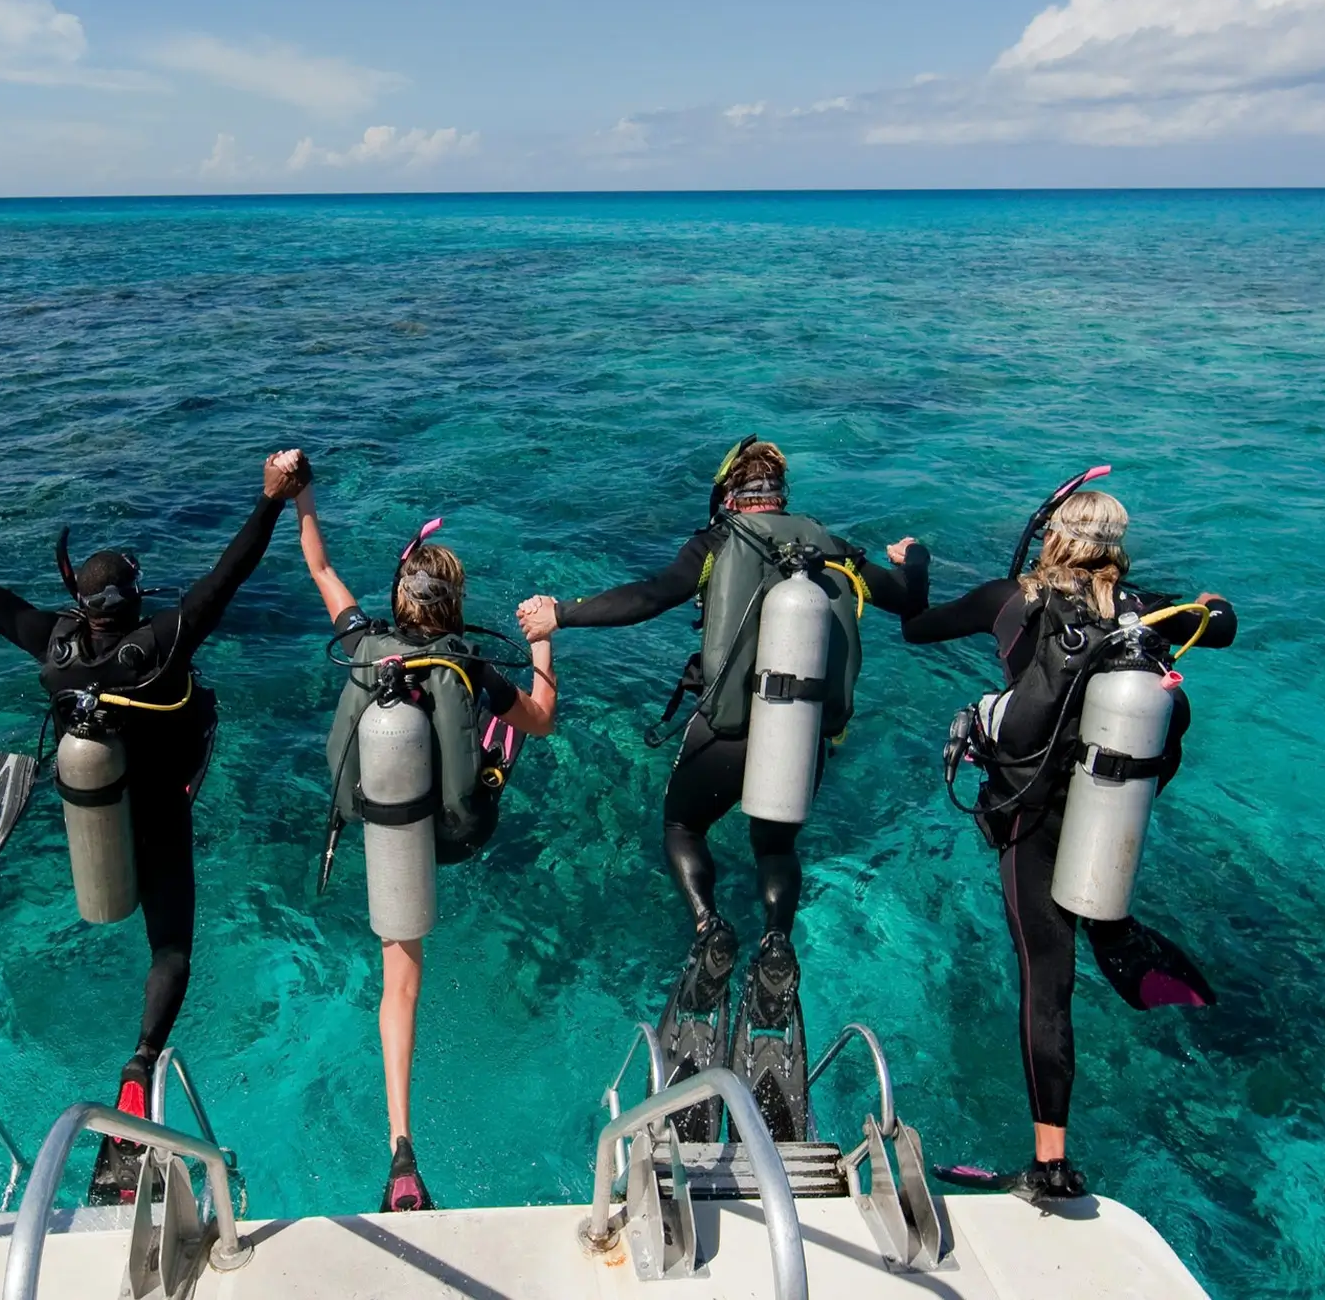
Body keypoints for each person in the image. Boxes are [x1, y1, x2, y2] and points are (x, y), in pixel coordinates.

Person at [0, 449, 310, 1202]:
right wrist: (270, 500)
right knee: (170, 949)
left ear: (82, 603)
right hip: (160, 808)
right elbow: (230, 573)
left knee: (86, 849)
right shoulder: (162, 642)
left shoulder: (50, 642)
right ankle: (139, 1063)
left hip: (89, 818)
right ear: (132, 600)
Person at [517, 437, 926, 1142]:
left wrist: (564, 615)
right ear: (782, 494)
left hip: (725, 736)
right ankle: (775, 943)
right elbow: (909, 605)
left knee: (684, 827)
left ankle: (709, 925)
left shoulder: (714, 541)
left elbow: (649, 596)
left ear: (729, 493)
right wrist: (911, 560)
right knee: (775, 843)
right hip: (797, 737)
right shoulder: (833, 548)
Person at [901, 485, 1237, 1203]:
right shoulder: (1147, 610)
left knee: (1045, 982)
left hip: (1030, 812)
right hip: (1107, 801)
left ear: (1054, 535)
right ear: (1117, 545)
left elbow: (918, 627)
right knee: (1084, 924)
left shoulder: (1010, 598)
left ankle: (1050, 1166)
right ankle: (1116, 930)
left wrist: (915, 562)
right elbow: (1224, 624)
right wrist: (1210, 603)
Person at [297, 488, 557, 1212]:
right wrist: (543, 642)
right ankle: (478, 761)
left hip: (389, 836)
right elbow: (544, 718)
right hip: (459, 833)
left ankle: (401, 1150)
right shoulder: (471, 666)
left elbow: (319, 567)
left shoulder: (361, 647)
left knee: (399, 986)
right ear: (453, 604)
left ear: (400, 599)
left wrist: (303, 497)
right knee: (508, 741)